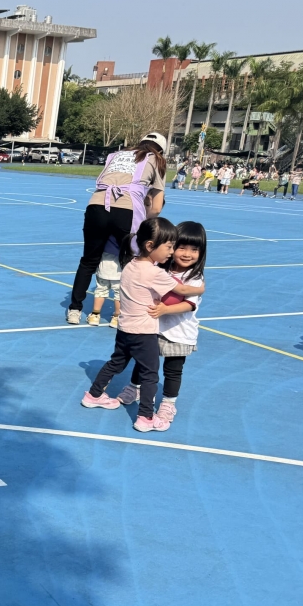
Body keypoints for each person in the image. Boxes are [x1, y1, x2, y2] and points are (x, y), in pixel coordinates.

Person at [80, 218, 207, 432]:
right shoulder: (155, 272)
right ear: (150, 246)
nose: (171, 252)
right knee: (150, 375)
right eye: (170, 247)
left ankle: (93, 395)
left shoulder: (130, 264)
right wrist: (201, 289)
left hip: (125, 328)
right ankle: (146, 417)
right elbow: (183, 291)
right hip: (144, 332)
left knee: (116, 362)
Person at [67, 132, 166, 324]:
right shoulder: (155, 159)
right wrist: (147, 220)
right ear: (160, 150)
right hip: (126, 209)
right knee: (132, 261)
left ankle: (75, 309)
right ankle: (128, 312)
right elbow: (156, 207)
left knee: (88, 261)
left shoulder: (117, 154)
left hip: (96, 205)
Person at [117, 221, 207, 423]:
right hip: (153, 328)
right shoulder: (159, 269)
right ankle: (135, 388)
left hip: (179, 332)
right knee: (144, 363)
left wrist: (165, 309)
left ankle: (168, 403)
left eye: (194, 250)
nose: (187, 254)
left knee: (173, 370)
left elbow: (189, 305)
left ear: (202, 253)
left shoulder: (194, 278)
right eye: (181, 247)